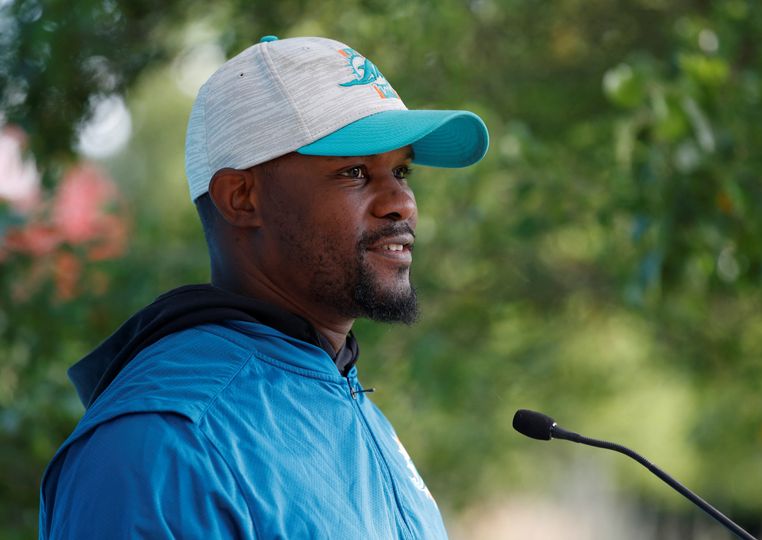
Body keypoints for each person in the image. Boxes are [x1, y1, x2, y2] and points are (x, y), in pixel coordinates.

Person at [39, 35, 488, 538]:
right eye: (355, 172)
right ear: (241, 198)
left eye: (401, 171)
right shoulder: (165, 443)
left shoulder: (336, 391)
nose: (401, 203)